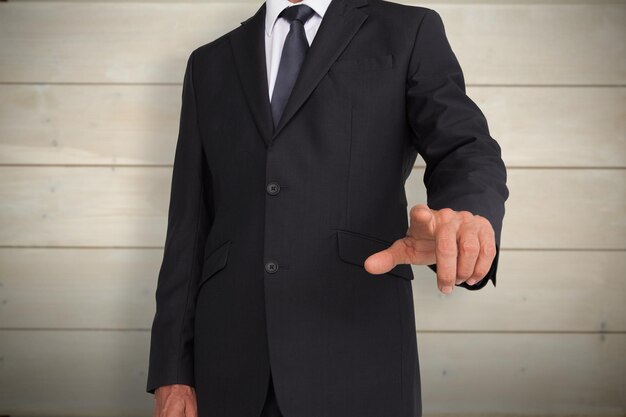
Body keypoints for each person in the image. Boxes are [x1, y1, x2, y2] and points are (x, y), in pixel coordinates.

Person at [147, 0, 509, 416]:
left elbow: (465, 148)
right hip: (230, 365)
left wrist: (467, 216)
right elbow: (188, 227)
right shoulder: (208, 64)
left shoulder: (409, 30)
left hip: (360, 356)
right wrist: (172, 370)